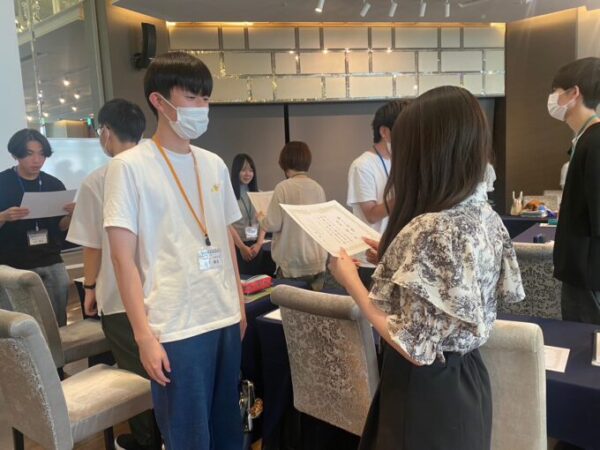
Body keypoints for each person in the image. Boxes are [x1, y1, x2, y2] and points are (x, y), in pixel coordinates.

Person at [330, 86, 524, 450]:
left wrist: (351, 281)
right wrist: (394, 260)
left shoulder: (433, 228)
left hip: (426, 396)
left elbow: (413, 346)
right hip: (468, 381)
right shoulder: (483, 215)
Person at [103, 51, 246, 450]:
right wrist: (143, 336)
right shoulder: (129, 167)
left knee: (229, 432)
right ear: (159, 101)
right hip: (175, 326)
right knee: (188, 437)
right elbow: (122, 259)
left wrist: (237, 305)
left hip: (223, 318)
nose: (201, 107)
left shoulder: (214, 164)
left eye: (206, 98)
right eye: (191, 97)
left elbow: (225, 240)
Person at [66, 99, 163, 450]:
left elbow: (93, 246)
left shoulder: (98, 180)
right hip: (166, 289)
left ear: (105, 132)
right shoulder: (163, 167)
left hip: (121, 297)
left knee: (138, 374)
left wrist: (90, 287)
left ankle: (147, 440)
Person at [0, 129, 74, 326]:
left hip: (50, 257)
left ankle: (57, 345)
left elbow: (61, 226)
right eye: (29, 154)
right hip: (12, 261)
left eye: (41, 154)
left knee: (57, 319)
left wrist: (71, 215)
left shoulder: (53, 184)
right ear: (15, 155)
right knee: (21, 322)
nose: (37, 160)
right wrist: (4, 216)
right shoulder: (3, 182)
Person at [550, 57, 600, 325]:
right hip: (580, 269)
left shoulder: (595, 141)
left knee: (586, 340)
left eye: (556, 92)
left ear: (574, 93)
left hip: (588, 273)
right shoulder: (583, 139)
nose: (552, 99)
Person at [347, 100, 408, 287]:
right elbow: (371, 214)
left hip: (395, 255)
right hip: (370, 259)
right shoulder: (363, 165)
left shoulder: (401, 160)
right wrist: (408, 194)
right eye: (405, 129)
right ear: (384, 132)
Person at [258, 141, 327, 291]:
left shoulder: (283, 187)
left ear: (284, 161)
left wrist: (261, 218)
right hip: (317, 260)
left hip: (292, 263)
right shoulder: (318, 188)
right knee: (314, 304)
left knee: (292, 305)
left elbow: (273, 224)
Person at [229, 153, 267, 275]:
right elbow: (227, 224)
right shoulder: (229, 195)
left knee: (257, 280)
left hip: (256, 246)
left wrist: (259, 244)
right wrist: (241, 247)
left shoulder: (259, 194)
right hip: (236, 246)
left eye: (251, 170)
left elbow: (265, 221)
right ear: (236, 171)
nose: (248, 174)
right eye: (243, 170)